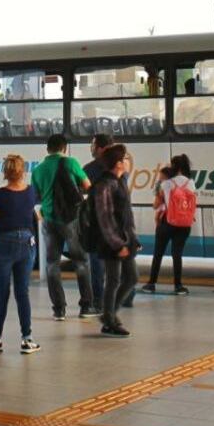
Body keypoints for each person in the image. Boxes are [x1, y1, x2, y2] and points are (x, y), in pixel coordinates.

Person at [30, 134, 98, 321]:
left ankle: (58, 309)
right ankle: (86, 306)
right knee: (81, 261)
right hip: (70, 219)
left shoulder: (38, 170)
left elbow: (35, 196)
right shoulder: (70, 163)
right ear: (64, 148)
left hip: (49, 220)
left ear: (47, 149)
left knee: (52, 263)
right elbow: (87, 186)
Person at [0, 155, 41, 354]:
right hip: (26, 243)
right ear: (23, 171)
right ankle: (27, 339)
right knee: (22, 292)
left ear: (5, 173)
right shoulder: (31, 192)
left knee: (2, 292)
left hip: (4, 242)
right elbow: (34, 216)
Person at [92, 144, 139, 338]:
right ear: (118, 163)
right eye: (125, 158)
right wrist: (117, 244)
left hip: (126, 240)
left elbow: (126, 215)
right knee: (113, 280)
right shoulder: (105, 184)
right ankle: (109, 320)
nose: (128, 162)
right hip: (112, 242)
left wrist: (132, 239)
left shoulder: (120, 181)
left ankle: (108, 314)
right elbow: (105, 218)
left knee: (131, 278)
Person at [143, 155, 197, 295]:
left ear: (176, 167)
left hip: (167, 222)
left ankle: (151, 284)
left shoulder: (166, 183)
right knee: (177, 255)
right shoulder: (191, 183)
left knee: (158, 253)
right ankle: (178, 286)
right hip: (185, 224)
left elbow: (157, 204)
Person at [82, 133, 116, 303]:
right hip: (114, 221)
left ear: (101, 148)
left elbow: (80, 192)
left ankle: (98, 299)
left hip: (96, 222)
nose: (92, 148)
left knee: (96, 262)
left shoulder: (89, 169)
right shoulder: (119, 167)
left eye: (93, 145)